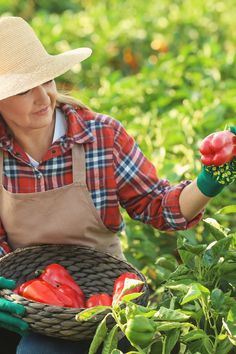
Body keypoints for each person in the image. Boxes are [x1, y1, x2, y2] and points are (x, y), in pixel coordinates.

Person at [0, 16, 235, 354]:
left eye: (47, 81)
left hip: (103, 302)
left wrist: (210, 180)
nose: (43, 97)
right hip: (26, 298)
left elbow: (158, 207)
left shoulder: (100, 137)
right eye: (23, 90)